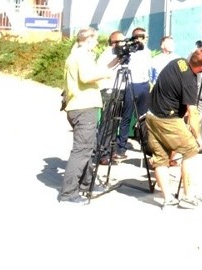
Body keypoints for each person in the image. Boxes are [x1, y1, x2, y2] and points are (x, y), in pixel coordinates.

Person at [144, 47, 202, 209]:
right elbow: (193, 112)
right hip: (168, 120)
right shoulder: (190, 80)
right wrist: (198, 138)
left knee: (160, 158)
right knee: (191, 150)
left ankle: (168, 198)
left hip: (152, 115)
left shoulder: (178, 62)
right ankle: (188, 197)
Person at [59, 27, 118, 204]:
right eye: (95, 41)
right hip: (83, 107)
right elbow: (86, 77)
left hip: (80, 106)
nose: (96, 44)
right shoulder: (81, 56)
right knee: (82, 150)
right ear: (89, 40)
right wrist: (107, 73)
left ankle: (86, 183)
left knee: (87, 147)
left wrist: (114, 62)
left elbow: (90, 73)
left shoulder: (76, 54)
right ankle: (68, 193)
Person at [114, 27, 152, 160]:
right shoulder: (130, 51)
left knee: (143, 118)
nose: (146, 39)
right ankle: (121, 147)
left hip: (144, 85)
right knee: (127, 116)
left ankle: (146, 145)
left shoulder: (147, 51)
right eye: (144, 37)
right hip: (131, 84)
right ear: (137, 37)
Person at [96, 30, 125, 165]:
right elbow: (103, 70)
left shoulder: (119, 53)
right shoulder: (107, 54)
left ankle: (111, 149)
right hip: (109, 90)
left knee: (115, 123)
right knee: (107, 123)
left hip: (120, 89)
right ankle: (102, 152)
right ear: (114, 42)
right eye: (121, 42)